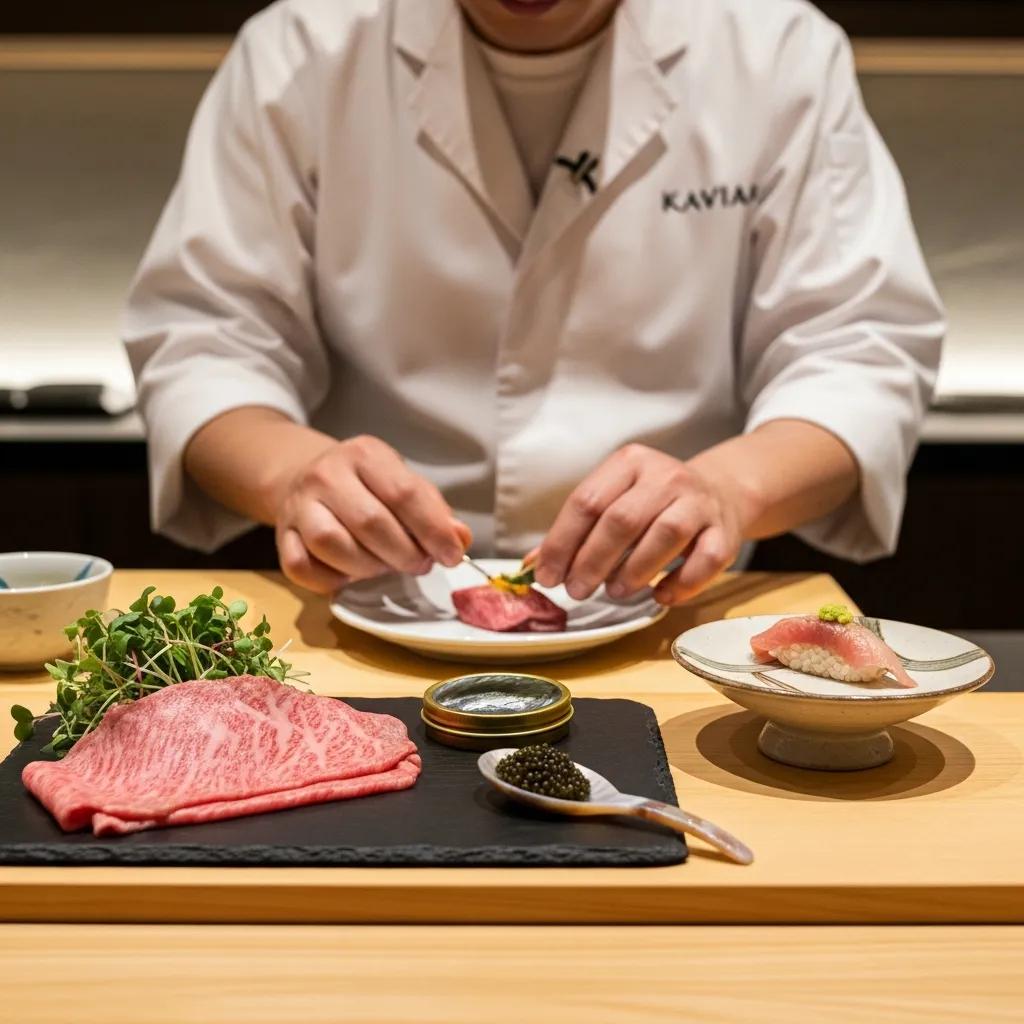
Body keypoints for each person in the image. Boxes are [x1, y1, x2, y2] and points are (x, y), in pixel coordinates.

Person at [123, 0, 943, 605]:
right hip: (366, 596)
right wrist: (292, 474)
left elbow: (857, 349)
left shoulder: (778, 49)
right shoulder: (299, 49)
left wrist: (728, 489)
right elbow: (206, 341)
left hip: (674, 610)